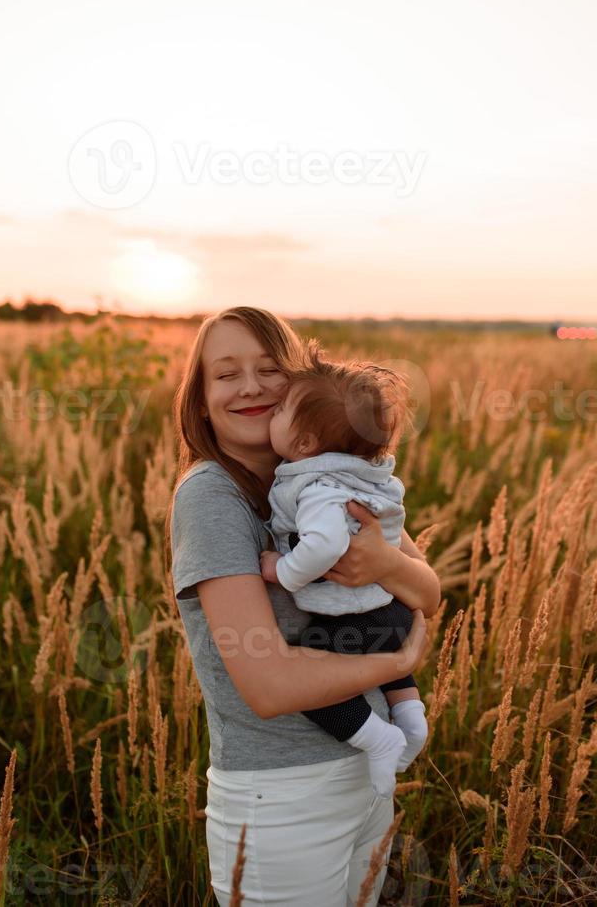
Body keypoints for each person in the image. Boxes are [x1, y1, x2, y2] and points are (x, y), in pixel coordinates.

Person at [165, 306, 441, 907]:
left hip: (365, 779)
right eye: (226, 374)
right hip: (281, 795)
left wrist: (386, 564)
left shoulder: (328, 474)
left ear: (300, 384)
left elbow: (428, 593)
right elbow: (268, 686)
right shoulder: (213, 495)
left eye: (269, 369)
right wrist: (401, 664)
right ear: (201, 398)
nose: (251, 387)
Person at [259, 343, 428, 799]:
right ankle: (411, 718)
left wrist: (284, 571)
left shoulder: (316, 485)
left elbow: (328, 543)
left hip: (353, 621)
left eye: (278, 412)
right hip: (392, 612)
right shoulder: (364, 474)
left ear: (304, 444)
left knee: (310, 683)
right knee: (387, 664)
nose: (269, 414)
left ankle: (380, 737)